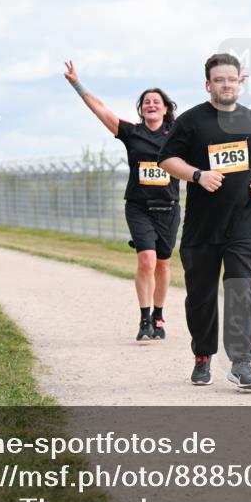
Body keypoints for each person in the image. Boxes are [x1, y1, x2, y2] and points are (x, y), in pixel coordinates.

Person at [158, 53, 251, 389]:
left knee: (241, 291)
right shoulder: (192, 121)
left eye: (231, 79)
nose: (226, 84)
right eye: (219, 80)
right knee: (201, 297)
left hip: (243, 224)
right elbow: (166, 158)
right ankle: (202, 355)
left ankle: (241, 362)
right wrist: (197, 175)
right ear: (208, 84)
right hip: (202, 228)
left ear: (242, 81)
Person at [64, 60, 180, 341]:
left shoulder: (178, 134)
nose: (151, 104)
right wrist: (77, 84)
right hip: (139, 207)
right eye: (146, 102)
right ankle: (144, 320)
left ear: (166, 108)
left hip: (168, 208)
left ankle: (159, 316)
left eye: (156, 101)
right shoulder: (132, 133)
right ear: (142, 110)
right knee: (146, 261)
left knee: (163, 264)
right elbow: (101, 110)